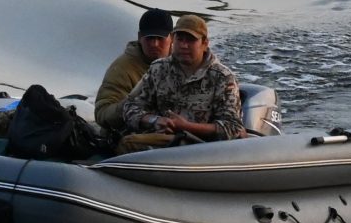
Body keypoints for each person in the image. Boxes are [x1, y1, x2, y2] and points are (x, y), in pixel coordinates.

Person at [116, 13, 244, 149]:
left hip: (200, 147)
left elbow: (233, 128)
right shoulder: (158, 69)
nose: (184, 45)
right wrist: (155, 120)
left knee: (129, 144)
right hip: (161, 141)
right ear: (172, 39)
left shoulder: (222, 78)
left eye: (191, 40)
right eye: (179, 39)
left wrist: (187, 126)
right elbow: (130, 107)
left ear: (204, 43)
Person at [94, 8, 175, 134]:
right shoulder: (122, 68)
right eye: (149, 38)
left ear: (172, 38)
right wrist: (134, 102)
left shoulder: (184, 62)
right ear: (139, 37)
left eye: (160, 38)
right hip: (135, 137)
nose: (154, 43)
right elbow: (102, 114)